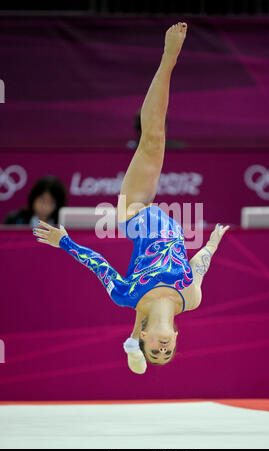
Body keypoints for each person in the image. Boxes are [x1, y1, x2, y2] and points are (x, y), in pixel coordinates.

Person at [32, 23, 230, 374]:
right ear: (176, 336)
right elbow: (200, 265)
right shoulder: (192, 298)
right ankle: (169, 61)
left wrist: (65, 243)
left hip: (135, 211)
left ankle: (168, 58)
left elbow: (98, 265)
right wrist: (213, 241)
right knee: (156, 138)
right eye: (166, 354)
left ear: (143, 337)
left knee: (152, 138)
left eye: (154, 351)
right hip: (164, 217)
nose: (162, 350)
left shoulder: (127, 295)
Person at [2, 175, 67, 226]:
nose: (45, 207)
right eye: (42, 200)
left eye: (51, 202)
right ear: (33, 198)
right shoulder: (14, 220)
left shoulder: (62, 224)